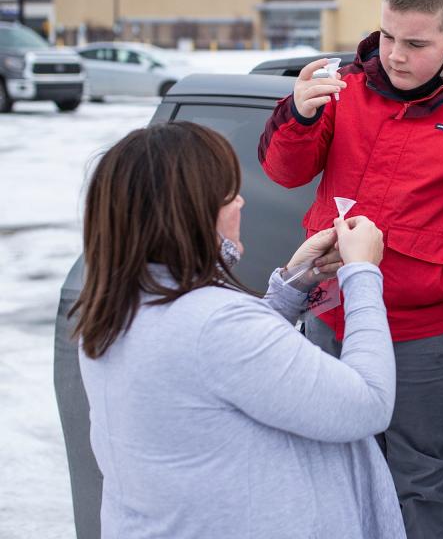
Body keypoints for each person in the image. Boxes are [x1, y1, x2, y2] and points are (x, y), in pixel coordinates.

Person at [258, 0, 443, 538]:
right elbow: (283, 170)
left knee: (418, 474)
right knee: (330, 462)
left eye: (416, 43)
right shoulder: (342, 91)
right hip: (330, 313)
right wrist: (298, 112)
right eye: (387, 37)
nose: (396, 55)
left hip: (418, 334)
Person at [71, 122, 405, 539]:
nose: (242, 202)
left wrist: (294, 283)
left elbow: (228, 370)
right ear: (192, 212)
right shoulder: (214, 323)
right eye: (229, 194)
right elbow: (367, 404)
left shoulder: (118, 306)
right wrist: (362, 274)